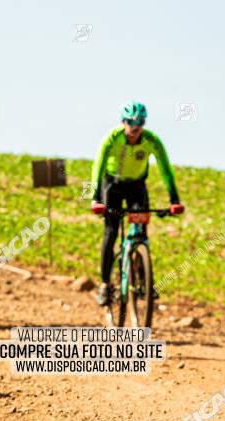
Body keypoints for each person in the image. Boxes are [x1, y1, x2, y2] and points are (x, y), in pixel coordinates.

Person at [90, 101, 184, 306]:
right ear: (123, 122)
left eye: (140, 122)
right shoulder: (112, 139)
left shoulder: (152, 141)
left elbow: (165, 169)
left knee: (141, 232)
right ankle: (105, 285)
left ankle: (144, 280)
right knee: (111, 231)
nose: (135, 126)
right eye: (131, 121)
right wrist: (96, 198)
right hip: (112, 186)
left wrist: (174, 199)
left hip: (136, 188)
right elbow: (97, 166)